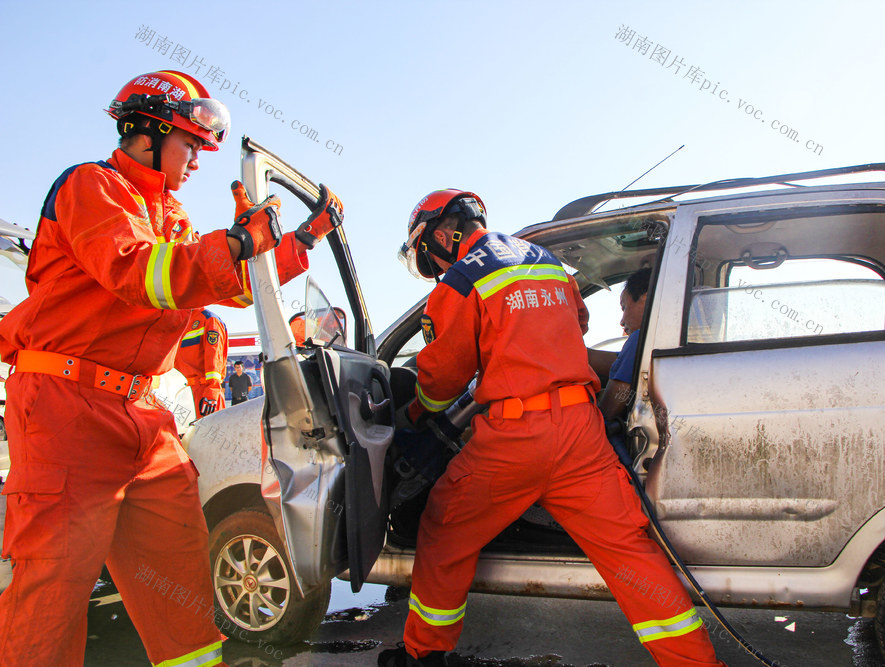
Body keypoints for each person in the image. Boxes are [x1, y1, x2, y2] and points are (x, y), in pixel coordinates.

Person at [0, 70, 344, 667]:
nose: (199, 159)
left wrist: (299, 242)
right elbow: (141, 274)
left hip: (141, 414)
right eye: (190, 144)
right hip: (66, 406)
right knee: (51, 589)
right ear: (149, 134)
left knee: (179, 574)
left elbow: (224, 289)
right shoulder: (94, 187)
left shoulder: (173, 217)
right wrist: (235, 243)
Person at [380, 190, 724, 667]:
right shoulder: (545, 260)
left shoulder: (461, 280)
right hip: (582, 432)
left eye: (427, 254)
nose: (433, 266)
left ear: (442, 234)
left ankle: (424, 655)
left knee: (443, 528)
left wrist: (414, 413)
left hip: (514, 438)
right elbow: (576, 323)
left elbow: (440, 383)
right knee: (630, 555)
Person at [597, 267, 651, 422]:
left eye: (624, 307)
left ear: (647, 300)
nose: (621, 321)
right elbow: (613, 361)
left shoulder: (640, 339)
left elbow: (607, 413)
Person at [175, 309, 228, 417]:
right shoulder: (179, 321)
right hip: (183, 393)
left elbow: (214, 359)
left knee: (210, 432)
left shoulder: (209, 320)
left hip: (204, 393)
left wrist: (212, 392)